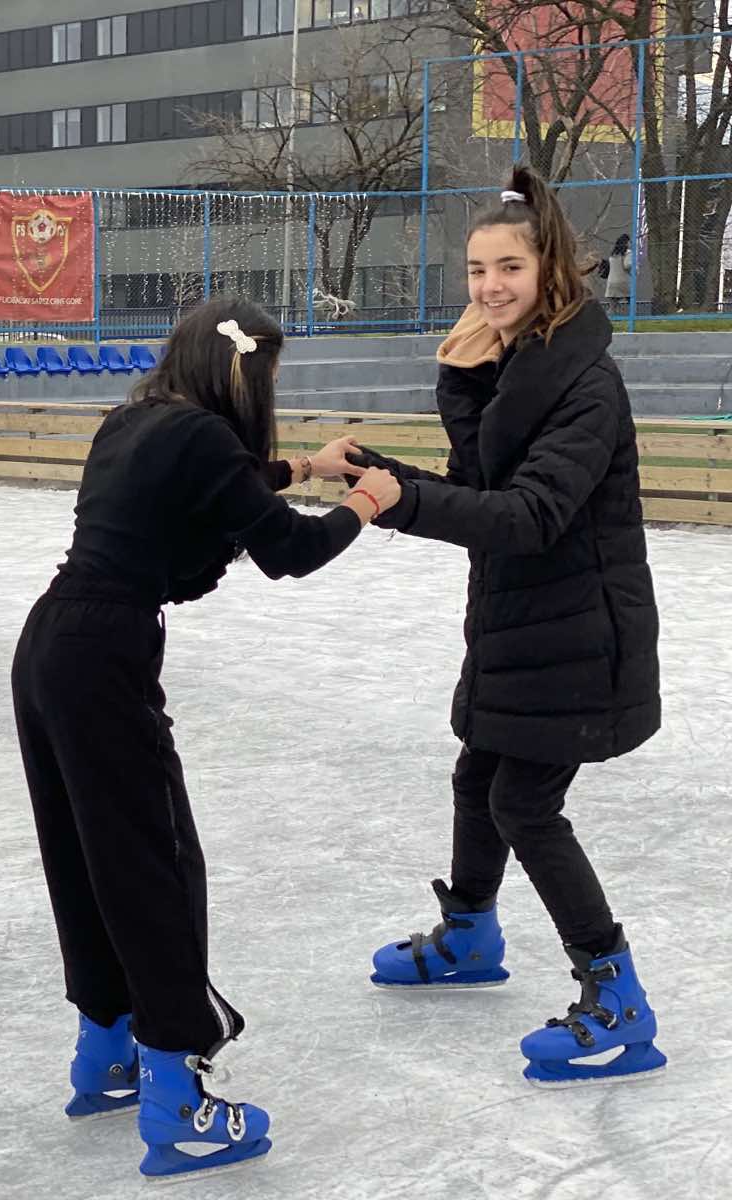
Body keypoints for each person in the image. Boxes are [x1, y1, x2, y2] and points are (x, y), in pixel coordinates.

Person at [11, 297, 401, 1180]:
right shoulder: (202, 440)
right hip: (105, 658)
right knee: (156, 864)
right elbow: (288, 552)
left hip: (48, 650)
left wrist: (304, 463)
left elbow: (218, 485)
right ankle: (179, 1102)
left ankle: (106, 1052)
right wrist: (365, 504)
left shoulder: (137, 421)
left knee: (88, 856)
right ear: (244, 373)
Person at [358, 167, 665, 1087]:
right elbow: (481, 491)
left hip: (580, 636)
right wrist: (381, 467)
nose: (489, 286)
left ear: (552, 272)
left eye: (509, 268)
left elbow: (528, 515)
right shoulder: (513, 372)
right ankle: (469, 938)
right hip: (518, 624)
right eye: (475, 269)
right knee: (478, 772)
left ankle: (618, 1002)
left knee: (525, 804)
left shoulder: (585, 387)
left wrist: (402, 501)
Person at [601, 232, 632, 312]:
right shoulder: (628, 253)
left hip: (612, 282)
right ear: (626, 243)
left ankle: (610, 320)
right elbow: (627, 265)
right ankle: (634, 319)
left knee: (612, 307)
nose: (630, 243)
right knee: (632, 303)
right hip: (624, 283)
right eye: (629, 242)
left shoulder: (613, 254)